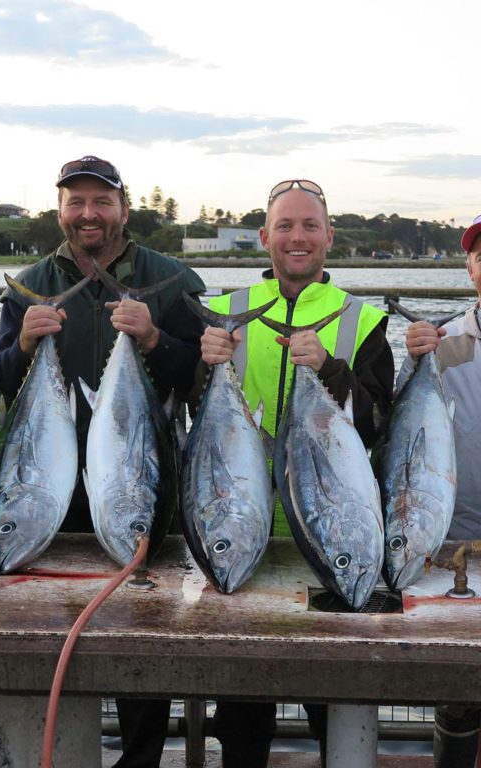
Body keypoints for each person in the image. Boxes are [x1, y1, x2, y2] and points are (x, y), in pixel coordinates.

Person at [0, 155, 205, 768]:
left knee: (144, 641)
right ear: (59, 210)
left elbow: (198, 380)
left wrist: (157, 339)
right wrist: (26, 342)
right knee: (47, 633)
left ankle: (139, 761)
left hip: (140, 484)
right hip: (50, 499)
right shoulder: (28, 284)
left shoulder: (172, 279)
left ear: (123, 209)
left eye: (101, 201)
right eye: (76, 202)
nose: (88, 214)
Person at [199, 179, 394, 767]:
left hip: (331, 541)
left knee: (334, 711)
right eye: (285, 226)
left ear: (330, 236)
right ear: (264, 237)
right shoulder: (228, 313)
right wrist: (201, 363)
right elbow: (194, 419)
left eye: (310, 225)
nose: (298, 237)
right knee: (240, 722)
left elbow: (380, 420)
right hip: (243, 540)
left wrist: (331, 369)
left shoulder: (362, 320)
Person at [402, 213, 481, 768]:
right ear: (470, 267)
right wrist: (414, 358)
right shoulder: (451, 344)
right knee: (458, 698)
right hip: (462, 547)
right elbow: (411, 424)